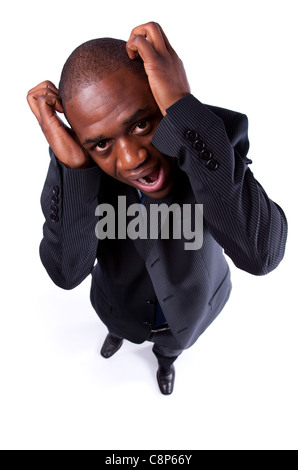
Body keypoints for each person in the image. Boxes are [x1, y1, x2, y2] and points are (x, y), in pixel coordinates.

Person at [27, 22, 287, 395]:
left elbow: (261, 254)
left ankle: (165, 364)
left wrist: (183, 107)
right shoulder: (83, 174)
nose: (132, 159)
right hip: (119, 306)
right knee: (119, 328)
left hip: (193, 310)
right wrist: (73, 167)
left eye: (142, 123)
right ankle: (117, 336)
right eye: (101, 145)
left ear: (160, 100)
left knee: (171, 350)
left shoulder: (210, 143)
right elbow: (66, 273)